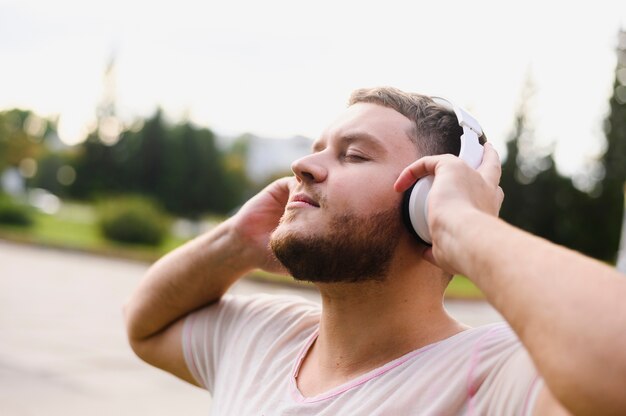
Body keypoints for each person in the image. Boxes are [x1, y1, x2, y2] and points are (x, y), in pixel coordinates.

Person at [124, 87, 626, 415]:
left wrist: (463, 225)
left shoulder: (490, 379)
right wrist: (236, 241)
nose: (303, 165)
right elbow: (143, 325)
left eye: (354, 154)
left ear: (425, 201)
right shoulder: (262, 336)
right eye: (318, 147)